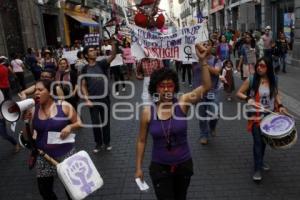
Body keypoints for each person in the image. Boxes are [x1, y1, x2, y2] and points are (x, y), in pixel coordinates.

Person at [135, 43, 211, 200]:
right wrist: (138, 168)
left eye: (169, 85)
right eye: (162, 86)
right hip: (159, 168)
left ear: (174, 87)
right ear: (155, 88)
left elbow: (206, 86)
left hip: (183, 166)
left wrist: (203, 61)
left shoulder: (182, 103)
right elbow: (142, 141)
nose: (166, 89)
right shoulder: (147, 112)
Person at [24, 79, 81, 200]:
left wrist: (70, 126)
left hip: (66, 155)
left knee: (71, 189)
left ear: (50, 92)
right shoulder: (33, 110)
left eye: (40, 90)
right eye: (35, 90)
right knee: (45, 191)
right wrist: (25, 121)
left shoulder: (64, 106)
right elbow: (27, 137)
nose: (36, 93)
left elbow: (79, 123)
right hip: (44, 156)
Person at [236, 57, 287, 182]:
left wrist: (280, 106)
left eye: (262, 66)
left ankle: (260, 160)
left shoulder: (273, 79)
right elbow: (239, 93)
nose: (259, 67)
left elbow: (275, 93)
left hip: (269, 116)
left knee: (264, 142)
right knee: (258, 143)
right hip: (256, 116)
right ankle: (257, 168)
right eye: (258, 65)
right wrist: (249, 99)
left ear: (268, 67)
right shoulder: (252, 79)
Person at [81, 39, 116, 153]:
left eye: (95, 50)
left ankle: (107, 142)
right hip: (93, 100)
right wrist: (86, 99)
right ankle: (98, 144)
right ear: (86, 55)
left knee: (105, 121)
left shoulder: (101, 64)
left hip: (104, 98)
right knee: (96, 123)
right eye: (91, 51)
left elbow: (113, 56)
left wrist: (113, 45)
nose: (94, 52)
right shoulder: (84, 69)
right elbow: (83, 86)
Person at [193, 39, 222, 145]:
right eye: (203, 44)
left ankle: (212, 126)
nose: (204, 46)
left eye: (207, 44)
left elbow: (216, 72)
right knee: (202, 116)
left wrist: (203, 61)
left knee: (215, 113)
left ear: (212, 47)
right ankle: (204, 135)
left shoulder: (216, 60)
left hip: (212, 91)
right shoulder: (193, 60)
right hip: (199, 91)